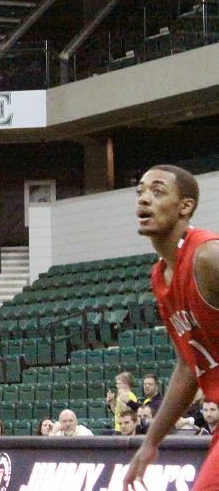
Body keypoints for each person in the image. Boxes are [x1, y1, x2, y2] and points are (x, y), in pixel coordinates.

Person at [126, 165, 219, 490]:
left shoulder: (208, 257)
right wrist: (151, 441)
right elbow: (187, 365)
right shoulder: (160, 276)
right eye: (141, 192)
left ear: (185, 206)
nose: (145, 199)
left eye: (158, 191)